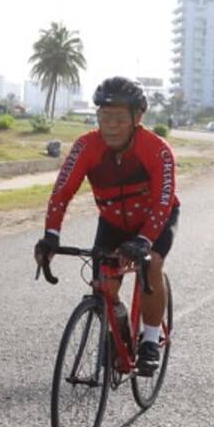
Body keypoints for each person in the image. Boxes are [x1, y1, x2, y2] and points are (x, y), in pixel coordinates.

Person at [34, 77, 179, 376]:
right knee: (104, 284)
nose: (110, 125)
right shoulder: (87, 145)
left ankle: (151, 339)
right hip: (113, 221)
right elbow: (62, 192)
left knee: (152, 265)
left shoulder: (157, 150)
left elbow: (164, 201)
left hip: (155, 218)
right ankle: (120, 330)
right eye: (103, 116)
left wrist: (145, 240)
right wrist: (51, 235)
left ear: (137, 118)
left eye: (118, 118)